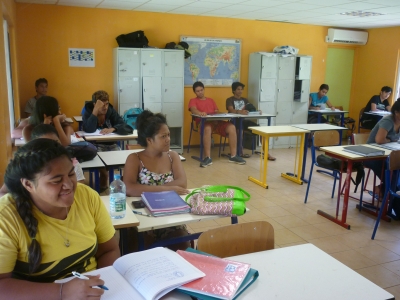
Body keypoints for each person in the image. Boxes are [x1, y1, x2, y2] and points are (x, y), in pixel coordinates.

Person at [0, 139, 120, 299]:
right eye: (56, 181)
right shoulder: (6, 216)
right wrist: (63, 292)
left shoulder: (87, 197)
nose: (69, 185)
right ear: (28, 185)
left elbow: (109, 249)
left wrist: (101, 288)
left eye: (71, 174)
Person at [123, 110, 190, 250]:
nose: (168, 139)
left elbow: (182, 182)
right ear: (149, 140)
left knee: (182, 242)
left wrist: (146, 190)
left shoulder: (173, 156)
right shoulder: (135, 159)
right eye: (163, 136)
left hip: (170, 218)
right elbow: (129, 188)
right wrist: (167, 189)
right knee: (140, 246)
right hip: (143, 219)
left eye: (169, 135)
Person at [82, 90, 133, 191]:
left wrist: (113, 129)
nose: (105, 107)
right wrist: (95, 112)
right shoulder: (88, 111)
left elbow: (125, 126)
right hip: (95, 145)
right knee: (99, 160)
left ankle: (123, 183)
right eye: (102, 105)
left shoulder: (110, 111)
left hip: (112, 144)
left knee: (123, 160)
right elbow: (89, 129)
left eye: (107, 104)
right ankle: (104, 176)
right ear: (95, 104)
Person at [189, 81, 246, 167]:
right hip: (203, 123)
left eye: (201, 90)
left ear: (204, 89)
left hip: (216, 122)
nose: (200, 92)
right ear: (195, 92)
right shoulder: (193, 100)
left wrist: (221, 114)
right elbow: (193, 110)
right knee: (207, 128)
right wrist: (200, 113)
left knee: (232, 127)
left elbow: (216, 111)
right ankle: (207, 157)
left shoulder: (211, 100)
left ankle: (233, 156)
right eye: (198, 91)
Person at [226, 81, 276, 161]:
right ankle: (239, 152)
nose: (240, 91)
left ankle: (266, 153)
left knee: (262, 131)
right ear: (234, 90)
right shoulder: (230, 100)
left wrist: (257, 111)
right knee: (240, 131)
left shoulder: (245, 100)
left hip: (245, 121)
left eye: (241, 89)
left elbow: (250, 109)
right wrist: (240, 112)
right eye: (238, 89)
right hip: (235, 122)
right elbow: (230, 109)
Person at [365, 99, 400, 199]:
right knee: (391, 172)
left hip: (387, 153)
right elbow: (379, 140)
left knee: (396, 168)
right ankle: (389, 196)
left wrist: (389, 140)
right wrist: (389, 140)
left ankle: (382, 190)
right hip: (371, 154)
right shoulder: (388, 121)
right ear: (396, 112)